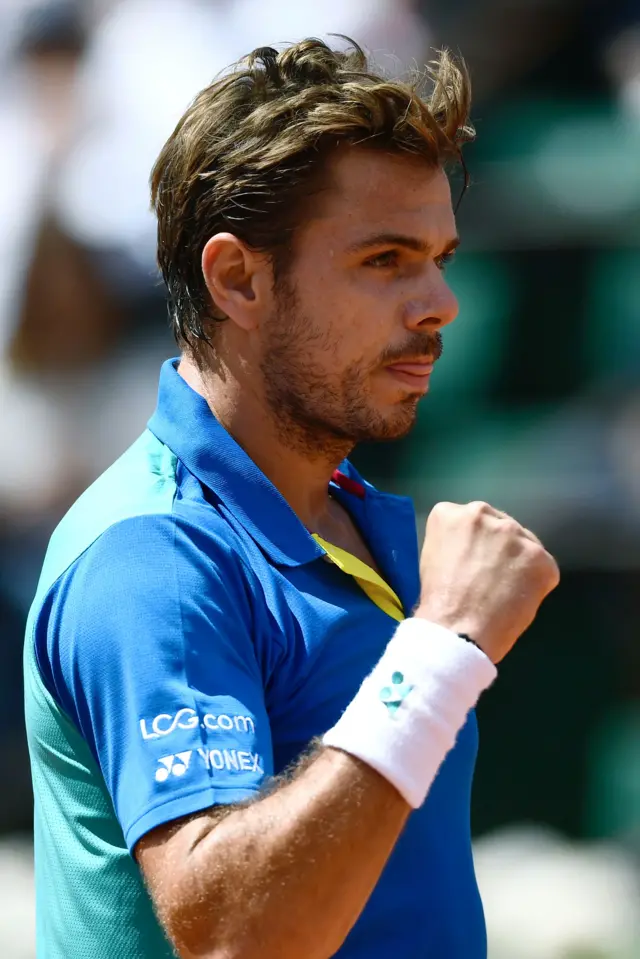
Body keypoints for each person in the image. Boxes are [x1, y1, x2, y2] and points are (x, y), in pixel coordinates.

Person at [24, 38, 559, 959]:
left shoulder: (337, 506)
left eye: (439, 257)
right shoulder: (153, 555)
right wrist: (441, 648)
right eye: (386, 258)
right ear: (238, 278)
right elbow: (238, 933)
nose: (440, 302)